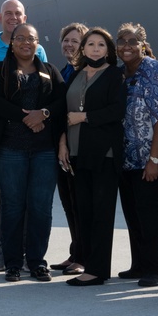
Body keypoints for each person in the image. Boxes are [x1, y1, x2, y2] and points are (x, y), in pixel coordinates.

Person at [0, 24, 67, 282]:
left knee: (41, 207)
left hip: (44, 151)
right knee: (12, 207)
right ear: (12, 42)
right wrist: (26, 117)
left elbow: (63, 101)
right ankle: (12, 263)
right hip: (9, 151)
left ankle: (37, 262)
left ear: (38, 43)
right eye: (20, 38)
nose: (26, 43)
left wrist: (44, 114)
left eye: (31, 39)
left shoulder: (50, 71)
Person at [0, 0, 48, 272]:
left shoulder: (38, 50)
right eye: (8, 13)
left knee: (31, 198)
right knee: (2, 196)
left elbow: (44, 87)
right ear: (0, 17)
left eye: (18, 13)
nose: (13, 17)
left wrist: (39, 117)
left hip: (35, 136)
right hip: (3, 138)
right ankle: (3, 251)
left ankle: (29, 254)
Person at [58, 28, 126, 286]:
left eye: (101, 45)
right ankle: (86, 261)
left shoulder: (114, 75)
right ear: (83, 49)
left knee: (101, 212)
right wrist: (63, 143)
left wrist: (84, 117)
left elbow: (117, 111)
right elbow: (65, 112)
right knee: (82, 210)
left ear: (108, 50)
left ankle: (98, 270)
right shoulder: (76, 74)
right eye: (91, 44)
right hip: (76, 152)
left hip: (103, 153)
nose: (95, 49)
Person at [115, 23, 158, 287]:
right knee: (134, 213)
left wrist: (154, 160)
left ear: (142, 45)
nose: (127, 46)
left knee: (152, 214)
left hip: (153, 158)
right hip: (127, 158)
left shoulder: (153, 69)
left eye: (133, 41)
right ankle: (139, 263)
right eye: (122, 41)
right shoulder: (120, 74)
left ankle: (155, 269)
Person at [50, 22, 89, 275]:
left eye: (75, 41)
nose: (69, 45)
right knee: (68, 202)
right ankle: (76, 252)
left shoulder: (86, 72)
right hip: (62, 146)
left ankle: (83, 257)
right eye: (66, 40)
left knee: (80, 203)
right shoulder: (64, 69)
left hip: (79, 147)